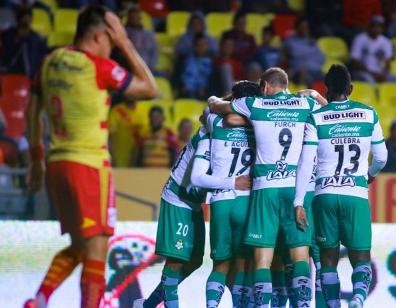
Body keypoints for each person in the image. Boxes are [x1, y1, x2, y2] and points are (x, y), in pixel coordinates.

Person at [25, 5, 157, 308]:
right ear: (100, 36)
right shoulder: (98, 66)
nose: (112, 48)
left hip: (57, 164)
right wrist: (125, 42)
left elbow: (33, 111)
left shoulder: (50, 61)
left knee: (81, 247)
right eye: (110, 41)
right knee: (97, 248)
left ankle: (39, 299)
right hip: (89, 166)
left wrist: (36, 158)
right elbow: (149, 88)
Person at [209, 68, 327, 307]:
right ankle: (304, 304)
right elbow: (330, 112)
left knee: (263, 260)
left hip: (265, 189)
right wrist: (314, 94)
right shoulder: (303, 104)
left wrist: (213, 100)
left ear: (263, 86)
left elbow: (220, 111)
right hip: (296, 188)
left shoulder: (255, 104)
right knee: (300, 256)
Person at [294, 64, 388, 308]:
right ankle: (357, 298)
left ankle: (334, 304)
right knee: (361, 257)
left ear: (326, 89)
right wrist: (369, 174)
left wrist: (297, 202)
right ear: (351, 88)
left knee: (327, 259)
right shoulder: (369, 113)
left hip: (323, 193)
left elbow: (306, 162)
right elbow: (381, 157)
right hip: (355, 193)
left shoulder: (316, 117)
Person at [133, 108, 247, 308]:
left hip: (194, 203)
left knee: (194, 262)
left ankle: (147, 305)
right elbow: (208, 111)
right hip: (178, 198)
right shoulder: (210, 134)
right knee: (176, 262)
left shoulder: (222, 130)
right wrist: (234, 183)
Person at [191, 81, 259, 308]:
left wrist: (228, 100)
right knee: (242, 263)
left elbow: (206, 111)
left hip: (220, 200)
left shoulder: (217, 122)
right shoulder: (260, 127)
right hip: (245, 200)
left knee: (220, 266)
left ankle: (212, 305)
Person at [350, 15, 396, 84]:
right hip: (362, 73)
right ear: (369, 26)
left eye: (379, 26)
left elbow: (388, 63)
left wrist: (384, 75)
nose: (376, 28)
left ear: (383, 28)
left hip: (380, 74)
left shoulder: (386, 42)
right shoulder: (360, 39)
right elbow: (354, 62)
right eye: (374, 26)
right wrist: (372, 74)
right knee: (370, 81)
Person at [0, 7, 48, 77]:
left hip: (30, 74)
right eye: (24, 17)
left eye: (29, 17)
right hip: (9, 72)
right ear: (18, 19)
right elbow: (6, 54)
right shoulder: (8, 34)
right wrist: (18, 39)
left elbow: (43, 52)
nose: (27, 20)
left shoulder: (36, 38)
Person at [282, 17, 325, 86]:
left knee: (330, 78)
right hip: (299, 71)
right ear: (297, 28)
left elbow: (322, 58)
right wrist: (310, 54)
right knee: (307, 78)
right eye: (302, 27)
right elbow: (295, 54)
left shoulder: (312, 41)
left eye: (306, 27)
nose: (304, 29)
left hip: (316, 70)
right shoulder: (290, 41)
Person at [108, 101, 142, 167]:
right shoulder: (117, 110)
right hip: (118, 160)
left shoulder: (144, 109)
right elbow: (111, 136)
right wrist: (112, 156)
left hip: (136, 160)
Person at [125, 5, 158, 71]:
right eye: (132, 17)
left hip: (148, 68)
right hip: (129, 69)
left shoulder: (149, 34)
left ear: (140, 18)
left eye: (136, 16)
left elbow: (154, 51)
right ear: (129, 18)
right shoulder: (124, 34)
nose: (134, 19)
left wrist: (150, 67)